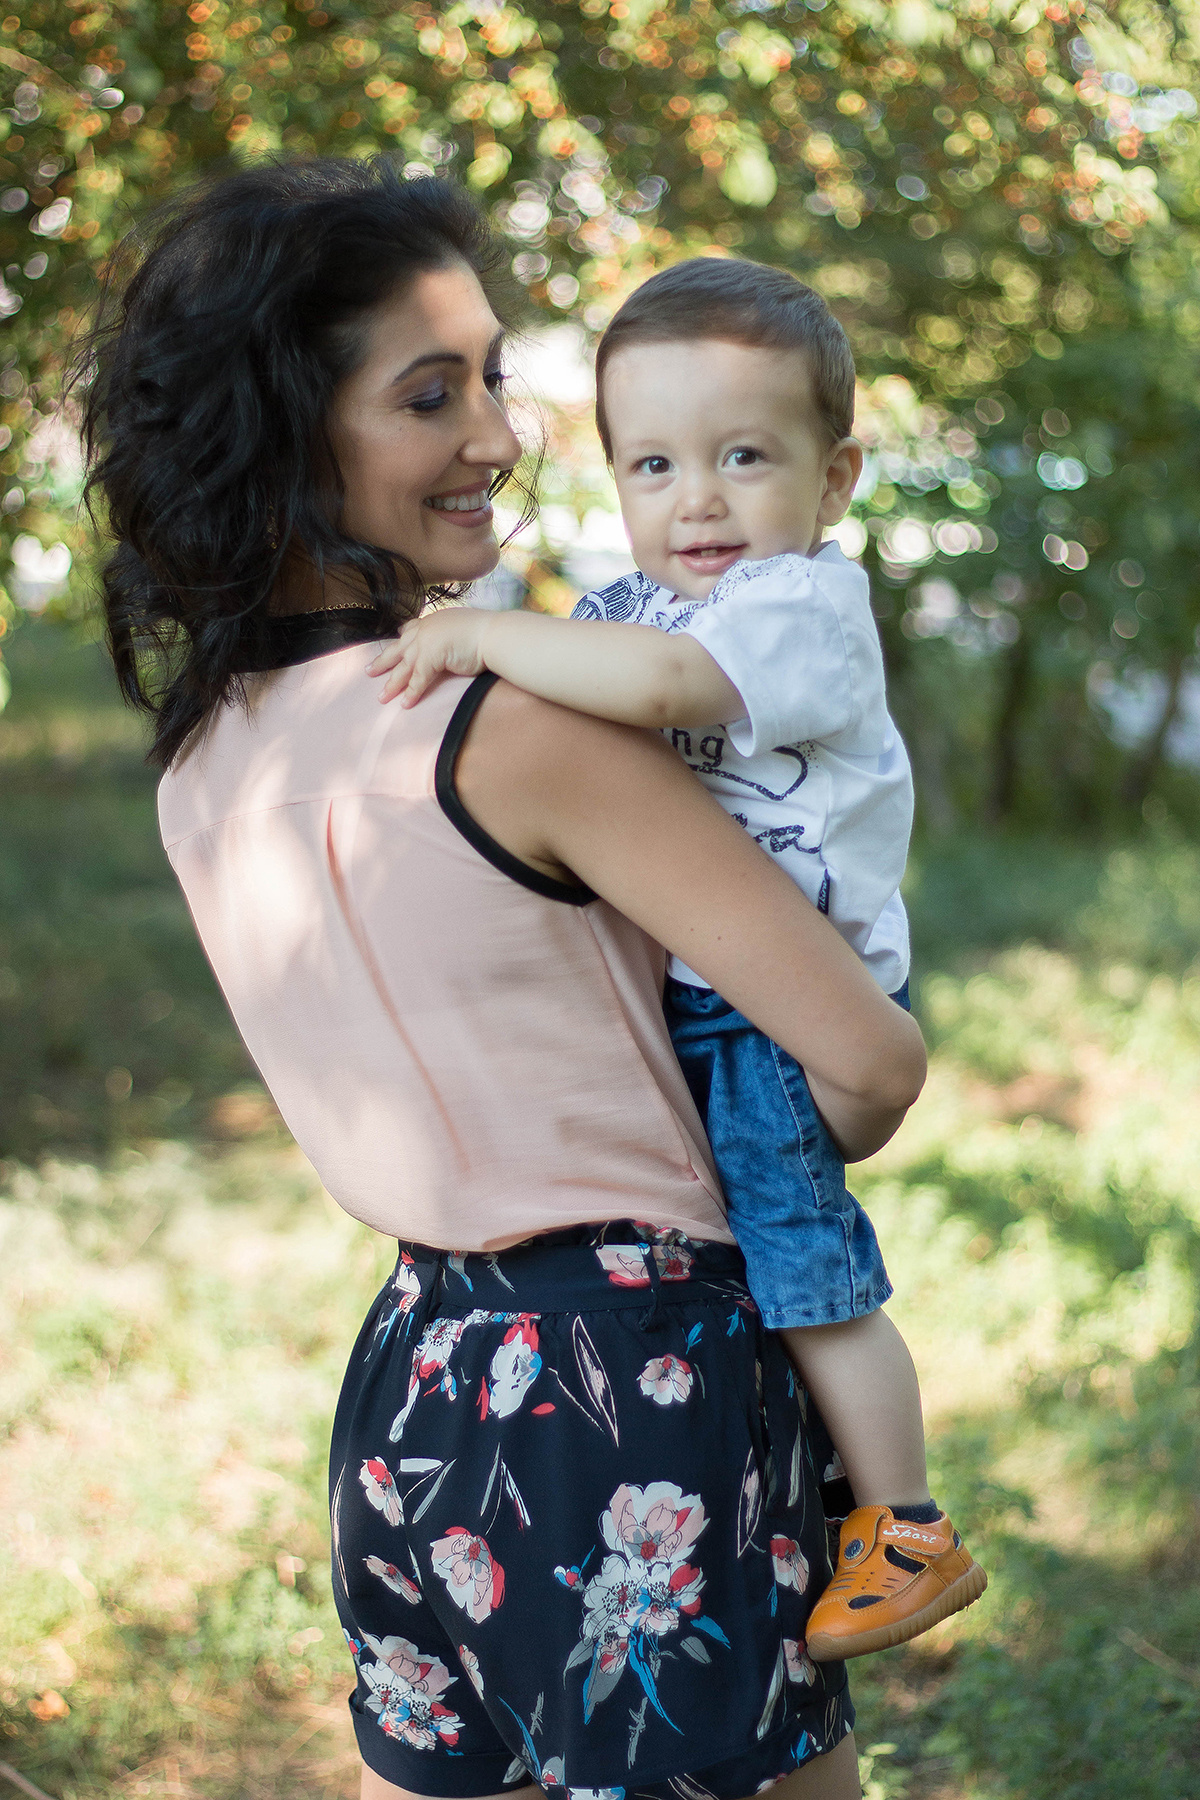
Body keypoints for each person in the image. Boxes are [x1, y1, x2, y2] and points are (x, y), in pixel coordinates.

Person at [78, 158, 927, 1800]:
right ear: (289, 426)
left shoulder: (203, 767)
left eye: (493, 380)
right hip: (640, 1389)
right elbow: (870, 1066)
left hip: (415, 1388)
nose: (494, 439)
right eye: (429, 395)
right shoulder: (517, 728)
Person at [367, 258, 986, 1662]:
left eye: (743, 457)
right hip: (696, 995)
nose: (696, 498)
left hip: (779, 1006)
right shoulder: (633, 609)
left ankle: (909, 1525)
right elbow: (585, 702)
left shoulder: (798, 608)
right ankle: (811, 1494)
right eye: (654, 463)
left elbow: (659, 701)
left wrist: (477, 630)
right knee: (733, 1275)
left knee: (805, 1270)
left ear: (834, 481)